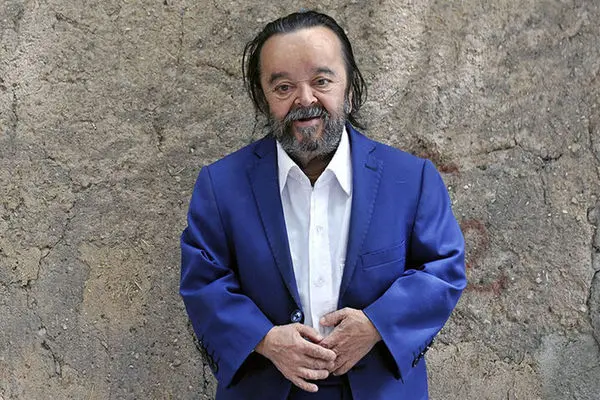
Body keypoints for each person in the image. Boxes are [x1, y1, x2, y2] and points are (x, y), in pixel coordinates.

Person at [180, 10, 466, 400]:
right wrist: (264, 339)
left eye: (321, 81)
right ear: (263, 99)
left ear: (350, 89)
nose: (305, 99)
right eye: (283, 87)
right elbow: (203, 281)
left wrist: (376, 325)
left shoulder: (411, 180)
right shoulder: (221, 185)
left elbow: (443, 269)